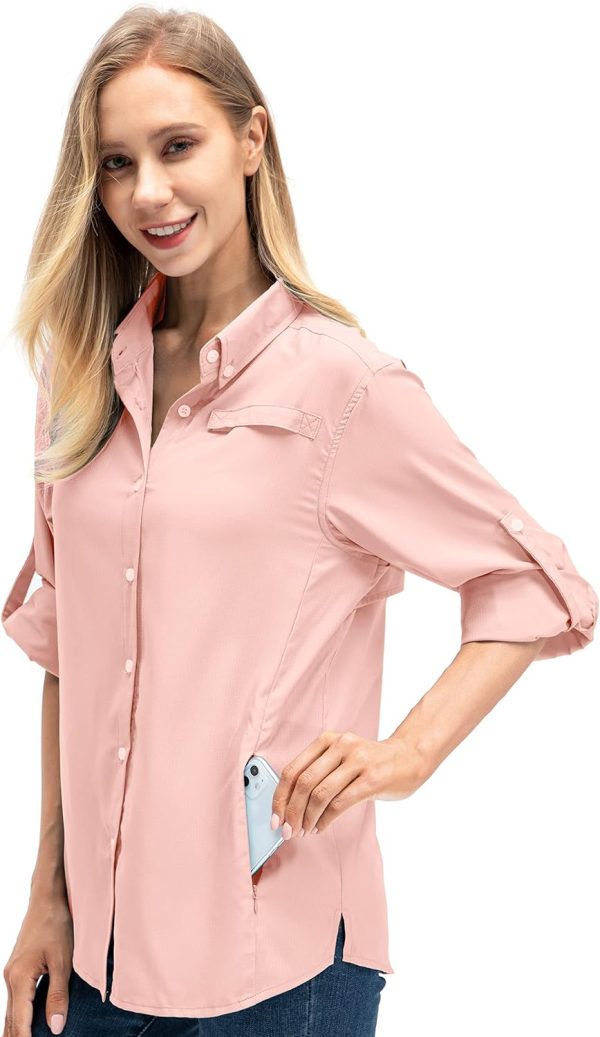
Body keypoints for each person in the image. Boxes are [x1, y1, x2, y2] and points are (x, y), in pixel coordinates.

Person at [1, 6, 597, 1037]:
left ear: (251, 140)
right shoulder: (83, 374)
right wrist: (45, 894)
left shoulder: (342, 387)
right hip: (95, 956)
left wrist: (405, 754)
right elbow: (70, 653)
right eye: (115, 163)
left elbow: (535, 583)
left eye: (177, 146)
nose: (148, 192)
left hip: (277, 968)